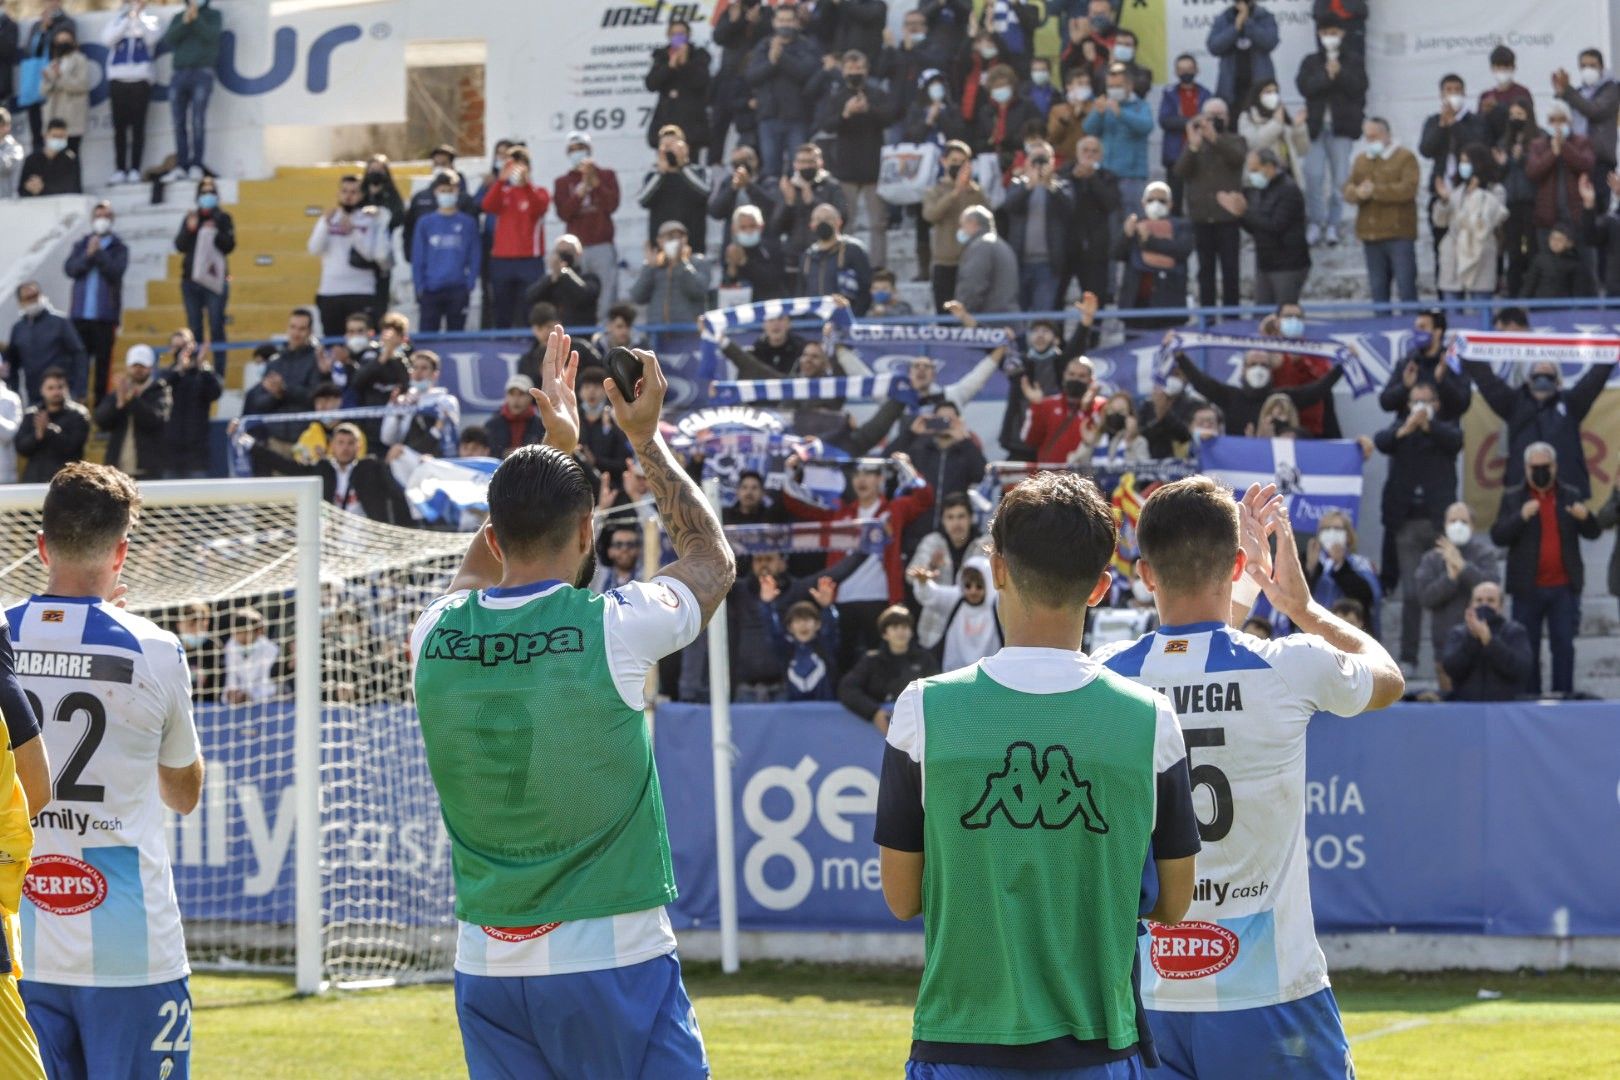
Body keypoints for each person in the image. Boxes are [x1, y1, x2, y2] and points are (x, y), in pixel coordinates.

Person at [411, 329, 730, 1079]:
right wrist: (643, 440)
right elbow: (713, 559)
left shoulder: (433, 634)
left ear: (492, 532)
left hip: (488, 963)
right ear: (589, 528)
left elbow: (478, 566)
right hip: (610, 955)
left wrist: (554, 447)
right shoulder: (613, 627)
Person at [879, 470, 1199, 1077]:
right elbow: (1174, 903)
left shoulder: (922, 707)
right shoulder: (1150, 719)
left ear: (996, 567)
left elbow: (902, 897)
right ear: (1103, 587)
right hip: (1101, 1050)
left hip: (958, 1044)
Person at [1095, 478, 1402, 1079]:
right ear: (1237, 563)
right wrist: (1300, 608)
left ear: (1145, 574)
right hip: (1272, 992)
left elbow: (1189, 654)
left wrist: (1238, 584)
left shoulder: (1105, 678)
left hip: (1147, 995)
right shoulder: (1289, 666)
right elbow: (1386, 677)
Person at [12, 462, 205, 1080]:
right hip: (131, 949)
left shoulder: (0, 637)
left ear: (40, 546)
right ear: (122, 551)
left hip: (18, 943)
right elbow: (184, 793)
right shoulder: (153, 649)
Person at [1490, 442, 1602, 695]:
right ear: (1526, 468)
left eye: (1545, 466)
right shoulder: (1513, 497)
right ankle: (1529, 698)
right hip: (1527, 588)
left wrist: (1587, 518)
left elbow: (1593, 533)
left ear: (1555, 467)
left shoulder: (1570, 494)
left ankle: (1564, 696)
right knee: (1526, 646)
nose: (1540, 471)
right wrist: (1521, 516)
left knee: (1563, 645)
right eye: (1535, 467)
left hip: (1564, 587)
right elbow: (1498, 536)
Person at [1373, 381, 1462, 674]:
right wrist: (1406, 429)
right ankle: (1408, 657)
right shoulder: (1401, 428)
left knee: (1444, 592)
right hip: (1407, 524)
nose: (1420, 407)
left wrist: (1429, 427)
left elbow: (1455, 441)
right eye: (1415, 401)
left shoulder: (1445, 428)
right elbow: (1382, 441)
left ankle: (1447, 655)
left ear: (1436, 404)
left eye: (1426, 401)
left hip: (1439, 524)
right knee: (1412, 593)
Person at [1462, 348, 1615, 498]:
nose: (1543, 364)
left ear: (1559, 380)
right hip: (1521, 490)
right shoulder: (1513, 403)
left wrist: (1612, 352)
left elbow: (1595, 379)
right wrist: (1467, 350)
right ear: (1528, 378)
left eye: (1549, 367)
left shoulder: (1572, 403)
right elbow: (1487, 381)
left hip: (1567, 490)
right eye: (1538, 365)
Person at [247, 420, 414, 525]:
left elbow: (397, 495)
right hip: (332, 538)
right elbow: (285, 465)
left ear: (359, 447)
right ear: (332, 445)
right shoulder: (323, 469)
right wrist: (251, 446)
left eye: (350, 443)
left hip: (366, 537)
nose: (345, 448)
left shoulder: (371, 468)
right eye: (340, 443)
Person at [818, 48, 895, 271]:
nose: (855, 72)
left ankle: (878, 266)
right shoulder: (837, 97)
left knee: (878, 222)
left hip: (874, 168)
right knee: (846, 221)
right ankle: (846, 262)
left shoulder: (876, 94)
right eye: (851, 68)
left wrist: (868, 110)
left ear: (867, 70)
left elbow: (889, 117)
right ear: (843, 71)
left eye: (859, 68)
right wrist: (846, 113)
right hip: (846, 169)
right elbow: (826, 124)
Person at [1415, 502, 1503, 690]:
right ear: (1445, 525)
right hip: (1446, 646)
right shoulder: (1431, 558)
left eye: (1463, 521)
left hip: (1482, 643)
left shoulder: (1484, 554)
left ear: (1472, 526)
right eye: (1453, 521)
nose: (1458, 525)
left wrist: (1463, 567)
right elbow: (1425, 597)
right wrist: (1450, 578)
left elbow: (1492, 586)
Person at [1296, 18, 1366, 246]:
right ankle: (1316, 222)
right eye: (1325, 31)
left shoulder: (1353, 60)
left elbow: (1359, 87)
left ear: (1343, 34)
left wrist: (1340, 74)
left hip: (1342, 128)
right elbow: (1305, 87)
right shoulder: (1311, 61)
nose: (1329, 36)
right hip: (1316, 128)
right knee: (1313, 176)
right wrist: (1326, 75)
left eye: (1333, 31)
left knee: (1340, 180)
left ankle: (1334, 225)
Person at [1175, 97, 1247, 310]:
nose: (1214, 120)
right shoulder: (1195, 145)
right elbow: (1180, 172)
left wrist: (1215, 138)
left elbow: (1237, 158)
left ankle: (1231, 318)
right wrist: (1193, 146)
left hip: (1227, 218)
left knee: (1230, 270)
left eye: (1219, 115)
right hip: (1201, 218)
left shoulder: (1235, 140)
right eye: (1210, 116)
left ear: (1227, 118)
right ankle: (1207, 318)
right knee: (1205, 272)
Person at [1344, 117, 1420, 307]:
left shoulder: (1405, 157)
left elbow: (1408, 189)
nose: (1370, 141)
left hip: (1399, 233)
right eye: (1367, 137)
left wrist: (1376, 191)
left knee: (1406, 286)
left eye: (1374, 136)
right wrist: (1358, 193)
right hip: (1371, 235)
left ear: (1386, 134)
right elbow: (1348, 188)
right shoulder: (1361, 160)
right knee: (1378, 289)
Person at [1420, 73, 1490, 279]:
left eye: (1457, 90)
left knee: (1473, 246)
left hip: (1470, 192)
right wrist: (1442, 126)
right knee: (1442, 249)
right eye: (1448, 91)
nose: (1453, 95)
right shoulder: (1433, 121)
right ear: (1441, 95)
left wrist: (1455, 124)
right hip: (1442, 193)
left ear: (1464, 93)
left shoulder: (1475, 121)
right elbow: (1426, 149)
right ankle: (1445, 297)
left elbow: (1476, 146)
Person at [308, 174, 390, 337]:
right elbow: (314, 249)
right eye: (344, 191)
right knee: (334, 343)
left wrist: (353, 231)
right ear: (338, 194)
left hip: (361, 291)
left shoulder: (368, 219)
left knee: (362, 342)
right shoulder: (329, 219)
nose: (348, 196)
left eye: (354, 192)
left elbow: (371, 255)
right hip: (330, 292)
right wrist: (325, 224)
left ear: (361, 195)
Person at [63, 202, 129, 400]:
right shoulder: (81, 245)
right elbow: (70, 269)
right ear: (92, 219)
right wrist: (88, 255)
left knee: (103, 367)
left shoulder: (119, 248)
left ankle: (100, 410)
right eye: (99, 215)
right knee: (78, 364)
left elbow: (115, 272)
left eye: (106, 215)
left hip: (105, 317)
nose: (102, 219)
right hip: (80, 316)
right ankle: (78, 405)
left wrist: (98, 253)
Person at [836, 605, 937, 732]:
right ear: (885, 634)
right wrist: (874, 712)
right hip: (877, 733)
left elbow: (937, 691)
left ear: (911, 632)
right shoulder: (871, 661)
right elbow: (847, 689)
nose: (901, 632)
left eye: (905, 627)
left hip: (919, 729)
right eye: (895, 627)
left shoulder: (925, 659)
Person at [748, 6, 821, 179]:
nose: (784, 25)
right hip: (769, 117)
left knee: (798, 170)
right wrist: (771, 62)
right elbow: (752, 75)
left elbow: (806, 73)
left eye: (788, 20)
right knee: (771, 169)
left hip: (798, 117)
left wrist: (781, 57)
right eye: (781, 20)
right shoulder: (764, 45)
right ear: (774, 22)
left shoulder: (806, 45)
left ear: (796, 22)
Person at [1230, 147, 1310, 304]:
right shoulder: (1258, 190)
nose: (1251, 174)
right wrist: (1239, 215)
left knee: (1284, 313)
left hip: (1287, 265)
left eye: (1255, 170)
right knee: (1263, 318)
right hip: (1265, 263)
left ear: (1269, 167)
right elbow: (1256, 227)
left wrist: (1244, 213)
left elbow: (1276, 226)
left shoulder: (1288, 190)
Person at [481, 148, 550, 329]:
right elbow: (487, 205)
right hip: (502, 260)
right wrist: (501, 180)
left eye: (519, 165)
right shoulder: (503, 192)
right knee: (502, 308)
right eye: (510, 165)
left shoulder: (540, 191)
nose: (515, 170)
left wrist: (526, 184)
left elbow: (539, 207)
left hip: (530, 260)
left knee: (530, 309)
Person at [1002, 138, 1073, 312]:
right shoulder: (1017, 184)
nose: (1039, 164)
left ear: (1053, 162)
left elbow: (1069, 208)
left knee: (1043, 315)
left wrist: (1049, 185)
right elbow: (1009, 206)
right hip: (1020, 262)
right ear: (1026, 162)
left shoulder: (1061, 185)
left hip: (1048, 264)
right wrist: (1029, 185)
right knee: (1019, 314)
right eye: (1036, 159)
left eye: (1044, 159)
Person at [408, 171, 480, 333]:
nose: (447, 194)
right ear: (435, 192)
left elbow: (474, 255)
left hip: (458, 289)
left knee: (456, 335)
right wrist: (419, 286)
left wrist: (469, 283)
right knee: (427, 336)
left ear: (457, 192)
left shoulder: (467, 223)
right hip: (430, 289)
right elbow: (418, 256)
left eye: (451, 190)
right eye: (443, 191)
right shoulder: (425, 223)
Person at [1115, 182, 1194, 329]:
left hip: (1169, 305)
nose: (1156, 204)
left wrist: (1149, 240)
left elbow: (1183, 250)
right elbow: (1117, 254)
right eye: (1151, 200)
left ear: (1170, 204)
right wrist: (1126, 235)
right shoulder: (1134, 224)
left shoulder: (1182, 226)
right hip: (1136, 305)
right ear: (1143, 203)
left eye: (1162, 200)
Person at [920, 141, 988, 311]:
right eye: (954, 161)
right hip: (945, 263)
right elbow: (930, 215)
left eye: (962, 161)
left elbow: (987, 219)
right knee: (945, 317)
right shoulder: (934, 191)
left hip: (972, 262)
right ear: (944, 162)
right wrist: (955, 192)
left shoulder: (976, 192)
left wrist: (969, 188)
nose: (957, 166)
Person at [1434, 145, 1509, 301]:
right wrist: (1444, 201)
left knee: (1480, 308)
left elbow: (1491, 219)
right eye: (1461, 162)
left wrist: (1475, 194)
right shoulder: (1457, 190)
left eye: (1467, 162)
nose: (1463, 166)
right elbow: (1440, 221)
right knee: (1452, 309)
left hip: (1480, 253)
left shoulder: (1495, 190)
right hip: (1453, 254)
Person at [773, 143, 848, 291]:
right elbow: (776, 226)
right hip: (793, 256)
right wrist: (788, 203)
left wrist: (812, 200)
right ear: (795, 165)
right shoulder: (789, 187)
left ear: (820, 163)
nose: (806, 166)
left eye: (811, 162)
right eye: (802, 162)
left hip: (825, 255)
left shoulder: (832, 186)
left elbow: (842, 217)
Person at [1441, 581, 1532, 702]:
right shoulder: (1458, 633)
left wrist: (1490, 641)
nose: (1484, 605)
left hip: (1505, 708)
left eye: (1490, 601)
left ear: (1500, 606)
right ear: (1471, 605)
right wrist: (1472, 639)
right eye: (1479, 600)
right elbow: (1451, 668)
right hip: (1466, 707)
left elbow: (1521, 669)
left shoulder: (1515, 632)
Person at [102, 0, 160, 184]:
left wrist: (139, 19)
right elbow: (107, 39)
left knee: (138, 127)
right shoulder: (118, 19)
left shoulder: (151, 19)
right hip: (118, 80)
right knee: (119, 128)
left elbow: (152, 37)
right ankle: (120, 168)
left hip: (140, 81)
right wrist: (127, 20)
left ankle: (135, 168)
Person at [161, 0, 221, 180]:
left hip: (202, 73)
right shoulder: (179, 17)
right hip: (179, 74)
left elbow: (211, 36)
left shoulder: (213, 15)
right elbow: (169, 39)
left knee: (197, 121)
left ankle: (196, 164)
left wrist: (197, 20)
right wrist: (186, 21)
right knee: (178, 122)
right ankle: (181, 164)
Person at [174, 177, 233, 357]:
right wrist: (191, 229)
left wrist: (215, 230)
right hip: (191, 280)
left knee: (216, 326)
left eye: (211, 192)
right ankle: (194, 370)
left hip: (215, 280)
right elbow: (180, 245)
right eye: (204, 192)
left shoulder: (223, 218)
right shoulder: (191, 217)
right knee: (194, 328)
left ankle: (219, 373)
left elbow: (229, 245)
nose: (207, 196)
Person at [1554, 49, 1619, 211]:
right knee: (1579, 209)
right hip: (1578, 157)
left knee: (1600, 208)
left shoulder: (1611, 89)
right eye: (1583, 66)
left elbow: (1594, 111)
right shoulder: (1579, 92)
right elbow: (1562, 116)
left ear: (1602, 67)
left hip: (1600, 160)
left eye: (1592, 65)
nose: (1587, 69)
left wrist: (1568, 91)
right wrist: (1560, 93)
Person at [93, 343, 170, 480]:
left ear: (150, 368)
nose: (138, 370)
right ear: (128, 367)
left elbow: (154, 420)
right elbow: (101, 421)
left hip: (148, 469)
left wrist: (132, 400)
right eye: (134, 366)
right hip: (118, 469)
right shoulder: (118, 393)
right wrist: (119, 404)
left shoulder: (159, 391)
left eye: (142, 366)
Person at [1083, 63, 1153, 211]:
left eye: (1118, 86)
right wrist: (1098, 113)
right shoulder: (1104, 105)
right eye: (1111, 86)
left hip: (1132, 177)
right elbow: (1088, 129)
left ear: (1129, 85)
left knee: (1132, 220)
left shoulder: (1141, 106)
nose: (1114, 90)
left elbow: (1146, 126)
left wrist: (1121, 113)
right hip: (1106, 176)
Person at [1380, 309, 1470, 423]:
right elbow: (1385, 404)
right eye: (1416, 327)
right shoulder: (1407, 362)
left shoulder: (1453, 363)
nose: (1417, 332)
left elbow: (1463, 405)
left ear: (1438, 332)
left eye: (1422, 327)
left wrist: (1442, 381)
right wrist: (1404, 387)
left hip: (1443, 432)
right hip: (1408, 432)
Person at [763, 577, 841, 702]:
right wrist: (767, 605)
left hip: (825, 711)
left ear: (818, 624)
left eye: (807, 619)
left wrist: (827, 607)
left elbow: (831, 629)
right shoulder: (786, 650)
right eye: (798, 621)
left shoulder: (826, 646)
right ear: (789, 627)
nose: (803, 625)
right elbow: (773, 631)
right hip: (793, 713)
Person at [7, 281, 86, 403]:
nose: (33, 300)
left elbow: (79, 354)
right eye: (28, 298)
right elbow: (13, 365)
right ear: (21, 303)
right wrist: (15, 394)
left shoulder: (60, 322)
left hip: (61, 394)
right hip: (34, 395)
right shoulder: (18, 329)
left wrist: (79, 390)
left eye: (35, 296)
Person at [645, 19, 711, 162]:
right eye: (674, 34)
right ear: (668, 35)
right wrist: (670, 66)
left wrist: (685, 63)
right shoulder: (661, 56)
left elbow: (701, 82)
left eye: (681, 34)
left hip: (692, 125)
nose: (678, 38)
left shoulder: (699, 55)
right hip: (667, 120)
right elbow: (651, 84)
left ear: (688, 35)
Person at [1527, 101, 1594, 240]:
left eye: (1561, 120)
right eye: (1553, 120)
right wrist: (1553, 153)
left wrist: (1564, 146)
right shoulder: (1537, 145)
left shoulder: (1582, 142)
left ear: (1569, 122)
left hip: (1575, 216)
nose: (1557, 125)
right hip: (1547, 217)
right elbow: (1532, 172)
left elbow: (1586, 165)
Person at [635, 128, 708, 257]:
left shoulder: (699, 172)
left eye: (673, 146)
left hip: (693, 248)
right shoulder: (654, 175)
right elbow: (642, 200)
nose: (669, 150)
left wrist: (683, 166)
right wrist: (660, 173)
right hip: (661, 251)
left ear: (685, 147)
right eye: (665, 146)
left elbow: (704, 193)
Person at [159, 330, 221, 478]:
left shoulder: (203, 374)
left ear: (193, 346)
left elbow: (215, 392)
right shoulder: (168, 374)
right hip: (171, 450)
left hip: (196, 450)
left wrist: (201, 366)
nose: (181, 352)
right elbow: (158, 390)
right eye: (177, 347)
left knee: (198, 497)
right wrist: (179, 369)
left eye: (185, 346)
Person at [1020, 354, 1104, 462]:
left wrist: (1089, 408)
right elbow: (1029, 440)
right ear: (1064, 376)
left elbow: (1103, 439)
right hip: (1051, 475)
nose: (1075, 379)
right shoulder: (1048, 404)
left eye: (1082, 376)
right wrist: (1036, 406)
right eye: (1071, 374)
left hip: (1085, 473)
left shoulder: (1101, 406)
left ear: (1091, 380)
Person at [380, 350, 461, 460]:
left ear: (435, 374)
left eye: (424, 368)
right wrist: (396, 412)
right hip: (407, 459)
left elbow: (445, 436)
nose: (418, 372)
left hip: (438, 459)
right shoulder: (400, 401)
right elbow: (387, 439)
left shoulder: (446, 400)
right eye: (415, 368)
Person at [1158, 54, 1211, 216]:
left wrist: (1185, 122)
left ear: (1196, 70)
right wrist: (1194, 121)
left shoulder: (1206, 93)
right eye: (1181, 69)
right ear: (1175, 71)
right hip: (1175, 156)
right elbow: (1165, 120)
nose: (1185, 72)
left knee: (1200, 202)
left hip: (1200, 155)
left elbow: (1209, 120)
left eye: (1189, 69)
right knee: (1174, 203)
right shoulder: (1169, 93)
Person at [18, 0, 73, 153]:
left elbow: (65, 47)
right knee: (36, 129)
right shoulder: (37, 25)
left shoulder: (67, 22)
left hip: (55, 85)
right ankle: (37, 160)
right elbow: (30, 51)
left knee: (54, 128)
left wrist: (51, 29)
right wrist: (42, 29)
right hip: (35, 83)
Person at [13, 368, 88, 481]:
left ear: (67, 388)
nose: (56, 392)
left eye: (60, 387)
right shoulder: (31, 414)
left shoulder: (78, 414)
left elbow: (72, 447)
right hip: (34, 481)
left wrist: (48, 429)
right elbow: (21, 448)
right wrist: (37, 435)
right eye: (50, 388)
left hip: (65, 483)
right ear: (42, 390)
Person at [631, 220, 707, 326]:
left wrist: (680, 263)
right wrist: (649, 267)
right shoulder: (655, 265)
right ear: (660, 241)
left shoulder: (697, 262)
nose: (675, 241)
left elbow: (699, 291)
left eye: (679, 237)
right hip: (658, 334)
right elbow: (637, 297)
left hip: (688, 333)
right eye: (670, 237)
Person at [800, 203, 873, 314]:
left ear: (839, 222)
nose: (822, 223)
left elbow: (866, 287)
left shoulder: (853, 250)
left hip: (845, 319)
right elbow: (801, 292)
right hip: (813, 322)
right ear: (811, 224)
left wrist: (855, 316)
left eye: (828, 219)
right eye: (818, 219)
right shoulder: (807, 256)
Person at [1206, 0, 1278, 112]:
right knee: (1232, 126)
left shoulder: (1265, 16)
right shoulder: (1224, 17)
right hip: (1231, 89)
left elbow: (1270, 42)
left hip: (1260, 87)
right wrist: (1235, 28)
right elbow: (1214, 47)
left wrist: (1248, 22)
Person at [953, 204, 1017, 314]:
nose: (961, 230)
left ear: (972, 223)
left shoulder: (981, 246)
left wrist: (964, 312)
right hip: (1005, 315)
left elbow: (973, 285)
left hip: (988, 320)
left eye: (962, 225)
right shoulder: (1000, 244)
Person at [38, 27, 89, 154]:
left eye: (66, 40)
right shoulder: (54, 62)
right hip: (53, 117)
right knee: (53, 156)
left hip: (72, 118)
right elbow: (43, 91)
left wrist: (60, 76)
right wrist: (48, 79)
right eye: (59, 40)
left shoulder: (80, 60)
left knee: (71, 155)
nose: (62, 43)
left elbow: (81, 85)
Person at [1479, 45, 1533, 144]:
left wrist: (1498, 108)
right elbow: (1479, 125)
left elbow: (1529, 121)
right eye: (1499, 67)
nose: (1502, 71)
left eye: (1506, 67)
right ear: (1492, 68)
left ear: (1513, 67)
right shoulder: (1486, 96)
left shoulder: (1522, 92)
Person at [223, 608, 277, 704]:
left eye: (243, 633)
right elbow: (231, 678)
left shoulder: (272, 651)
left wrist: (251, 696)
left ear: (258, 631)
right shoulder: (231, 645)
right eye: (235, 633)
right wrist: (230, 694)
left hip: (266, 705)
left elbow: (271, 686)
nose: (237, 637)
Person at [485, 374, 544, 459]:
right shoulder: (491, 425)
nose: (516, 399)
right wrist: (502, 455)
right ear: (506, 396)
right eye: (512, 394)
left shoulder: (541, 425)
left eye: (521, 394)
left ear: (531, 397)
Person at [16, 118, 78, 196]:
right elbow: (21, 188)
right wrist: (30, 188)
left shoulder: (69, 160)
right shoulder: (32, 160)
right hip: (34, 204)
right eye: (55, 136)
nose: (58, 139)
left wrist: (43, 188)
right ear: (46, 136)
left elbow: (70, 188)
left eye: (61, 136)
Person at [0, 110, 24, 200]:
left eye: (2, 125)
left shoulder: (15, 148)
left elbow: (3, 166)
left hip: (8, 199)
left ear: (8, 126)